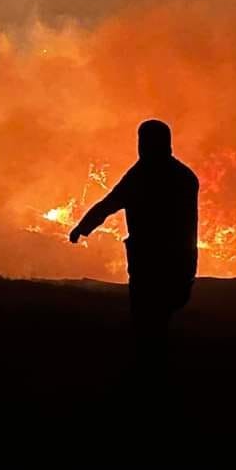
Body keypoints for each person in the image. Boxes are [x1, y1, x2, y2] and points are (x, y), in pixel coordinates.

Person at [69, 120, 199, 365]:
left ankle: (147, 372)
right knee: (160, 317)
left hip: (150, 262)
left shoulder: (142, 176)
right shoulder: (184, 176)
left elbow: (109, 204)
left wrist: (81, 229)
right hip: (179, 261)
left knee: (147, 320)